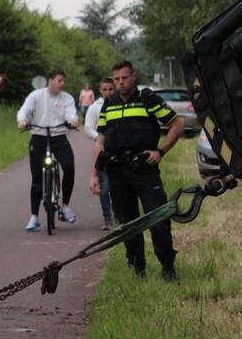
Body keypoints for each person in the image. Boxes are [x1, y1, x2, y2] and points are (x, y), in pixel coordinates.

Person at [89, 60, 184, 281]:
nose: (120, 83)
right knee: (128, 225)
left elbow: (177, 124)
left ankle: (168, 268)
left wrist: (161, 151)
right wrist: (94, 174)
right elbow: (100, 141)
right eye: (116, 79)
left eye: (124, 78)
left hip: (144, 169)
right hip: (116, 171)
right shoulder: (108, 104)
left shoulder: (148, 99)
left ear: (134, 77)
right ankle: (137, 271)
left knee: (158, 218)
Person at [16, 68, 79, 231]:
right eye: (59, 80)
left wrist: (72, 120)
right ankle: (34, 217)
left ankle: (65, 207)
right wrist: (22, 121)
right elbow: (25, 110)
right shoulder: (36, 96)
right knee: (37, 179)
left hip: (59, 138)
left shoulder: (67, 98)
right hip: (38, 138)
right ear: (50, 80)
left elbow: (71, 113)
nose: (62, 84)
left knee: (69, 167)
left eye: (63, 81)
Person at [83, 77, 116, 230]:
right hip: (102, 150)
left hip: (119, 150)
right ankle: (107, 219)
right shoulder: (95, 108)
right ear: (100, 90)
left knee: (118, 184)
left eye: (110, 89)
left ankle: (119, 214)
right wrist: (101, 138)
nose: (108, 92)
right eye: (105, 89)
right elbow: (88, 128)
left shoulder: (120, 104)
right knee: (105, 185)